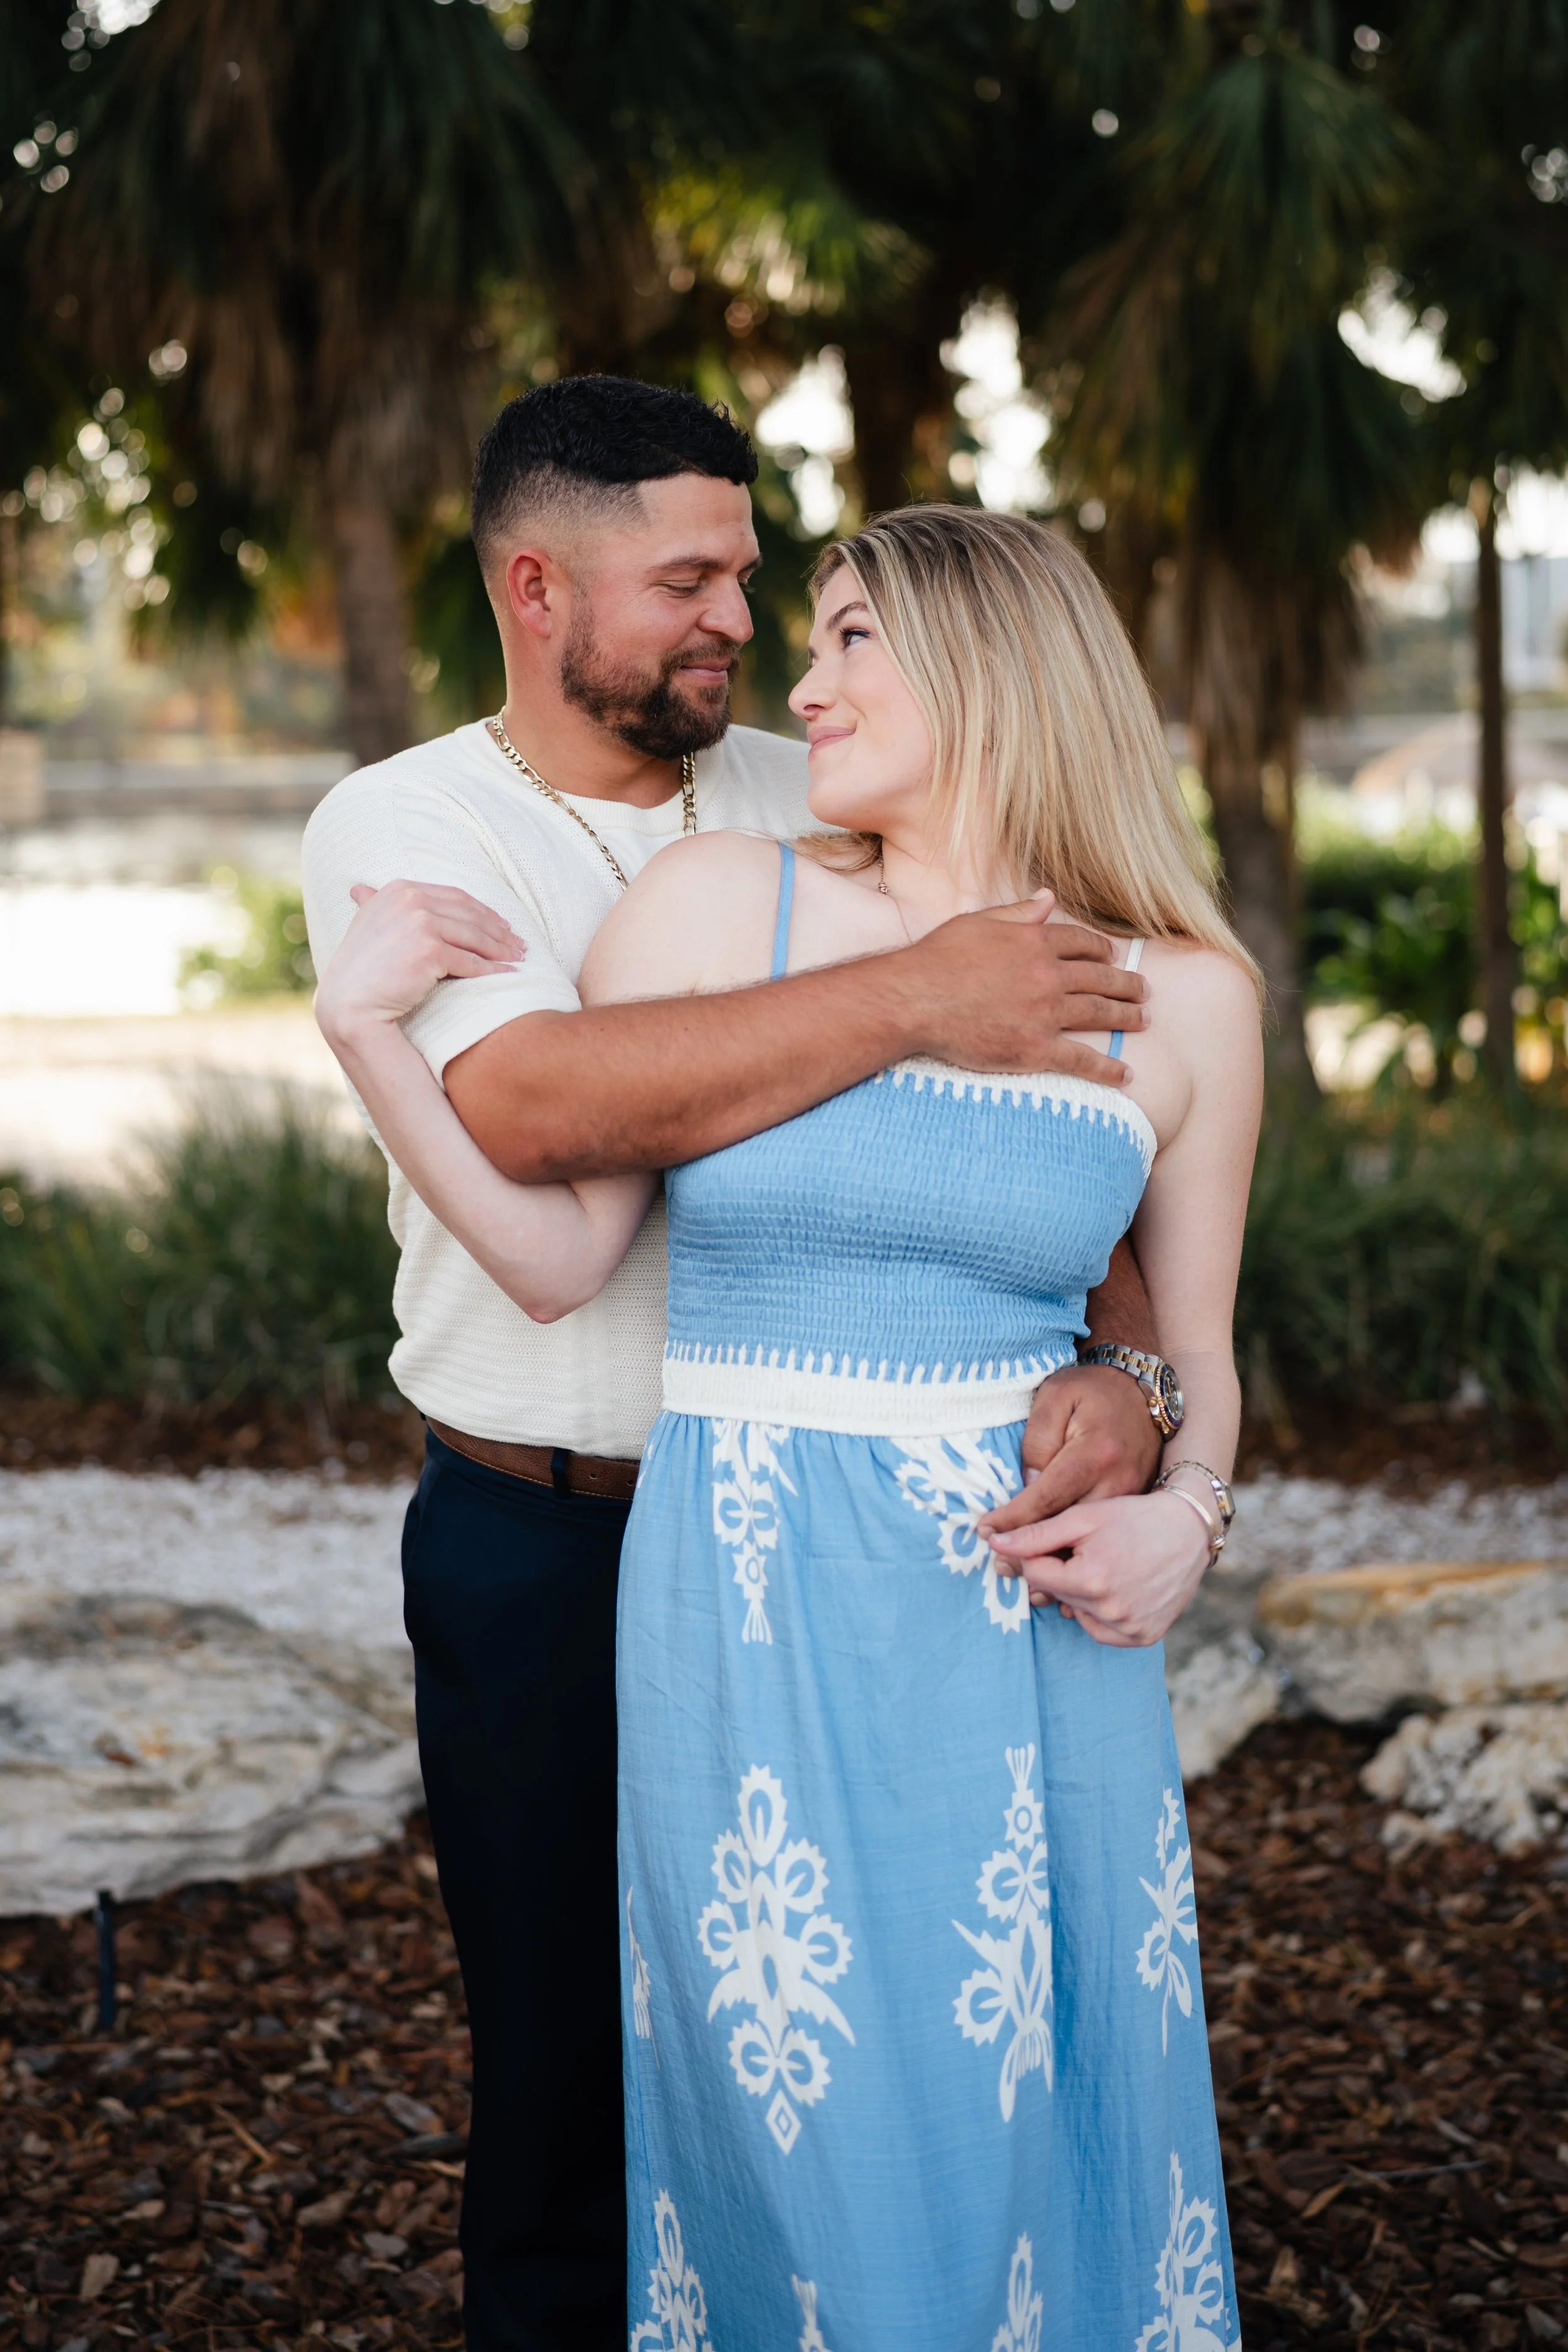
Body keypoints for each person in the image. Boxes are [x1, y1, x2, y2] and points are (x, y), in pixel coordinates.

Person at [315, 500, 1261, 2348]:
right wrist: (368, 1038)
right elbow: (549, 1254)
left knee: (1032, 2102)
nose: (796, 675)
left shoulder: (1189, 996)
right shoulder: (718, 906)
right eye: (802, 633)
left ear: (990, 668)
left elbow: (1197, 1357)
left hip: (1023, 1626)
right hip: (745, 1604)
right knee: (785, 2115)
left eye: (847, 640)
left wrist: (1187, 1508)